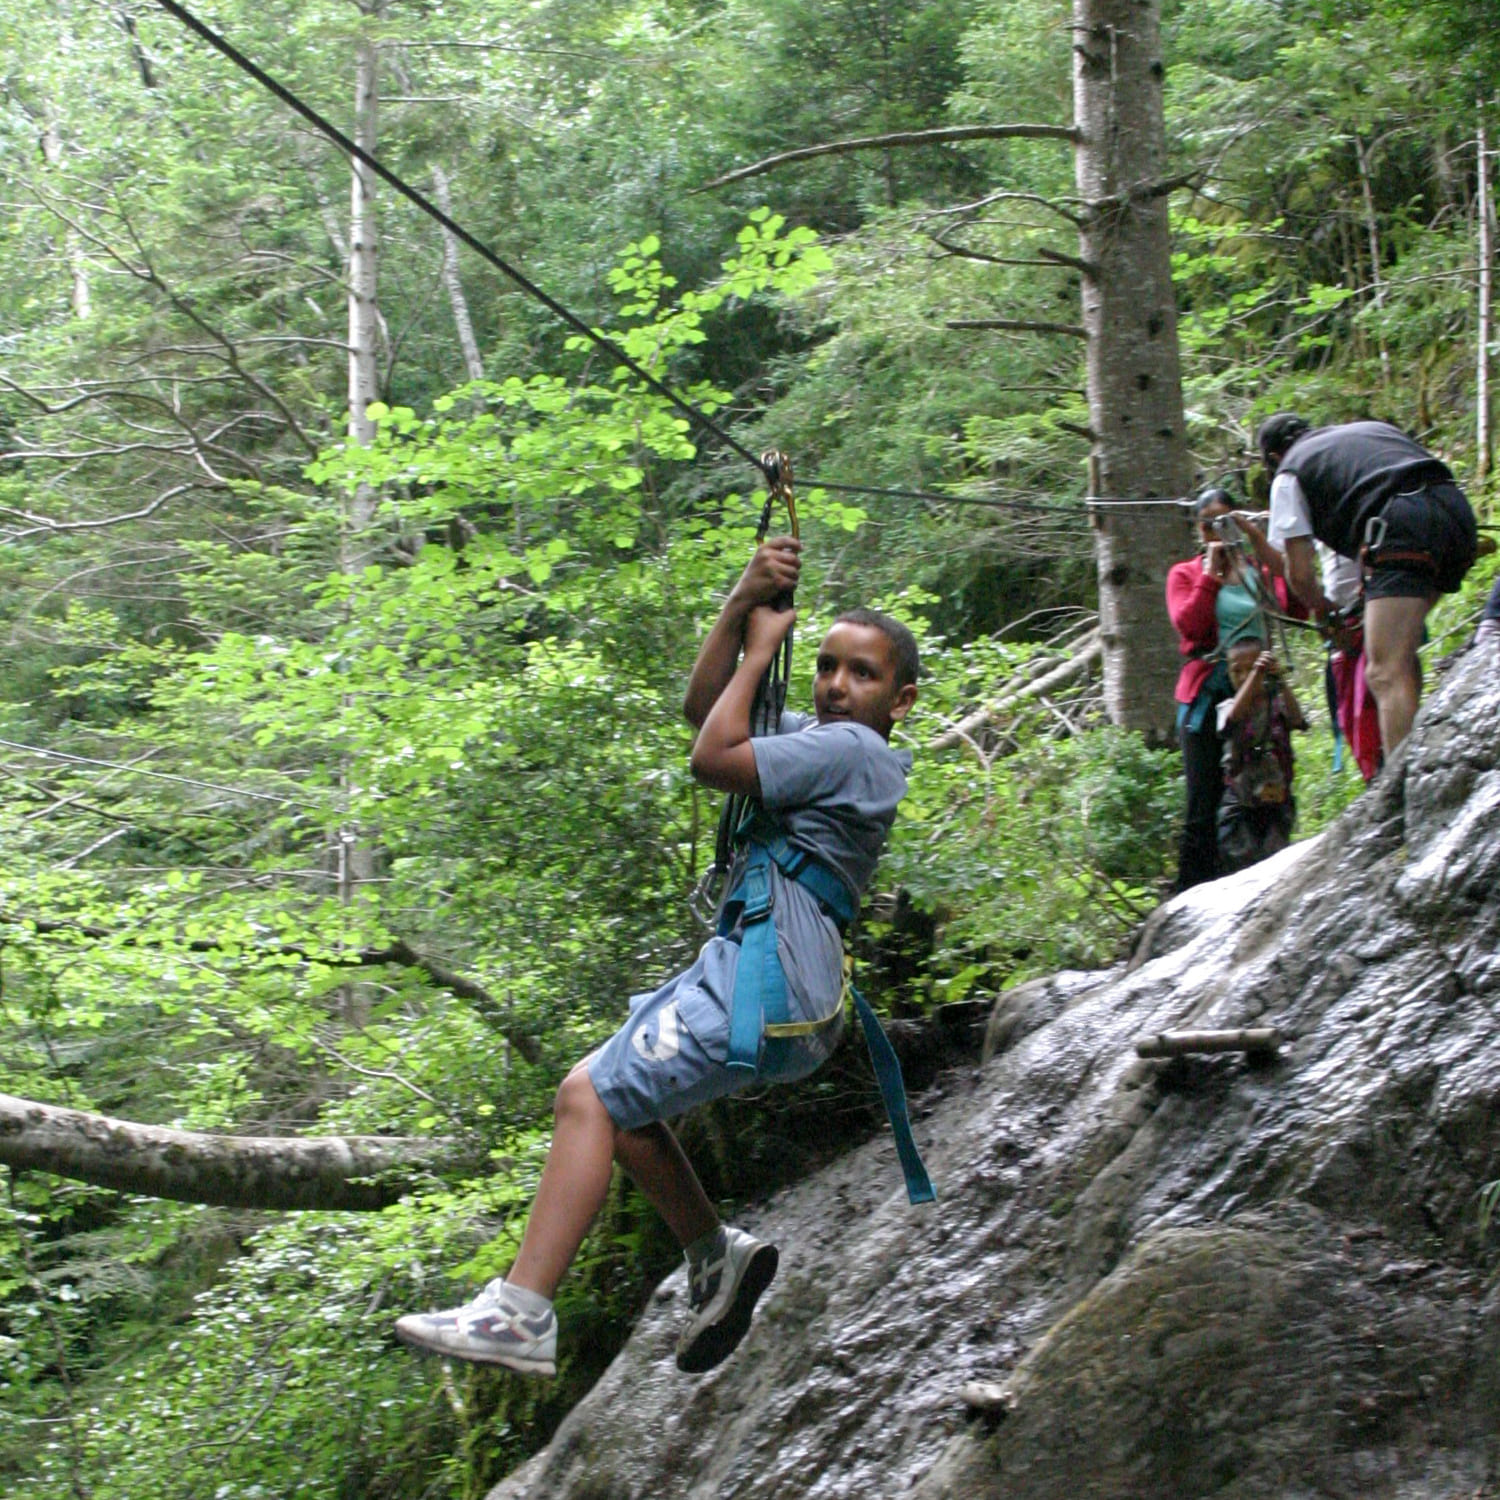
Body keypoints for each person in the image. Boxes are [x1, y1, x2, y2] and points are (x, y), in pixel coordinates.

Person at [394, 536, 919, 1377]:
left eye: (860, 673)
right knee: (626, 1115)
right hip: (772, 978)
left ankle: (521, 1315)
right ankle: (716, 1255)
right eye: (824, 665)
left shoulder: (852, 750)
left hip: (772, 974)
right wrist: (742, 599)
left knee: (587, 1095)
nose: (832, 684)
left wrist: (760, 652)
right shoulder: (821, 742)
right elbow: (706, 707)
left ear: (902, 699)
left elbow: (711, 759)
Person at [1258, 414, 1478, 756]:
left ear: (1273, 458)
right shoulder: (1370, 431)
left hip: (1399, 526)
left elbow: (1299, 573)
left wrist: (1328, 613)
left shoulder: (1289, 474)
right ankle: (1415, 753)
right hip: (1457, 515)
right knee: (1399, 655)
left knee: (1384, 671)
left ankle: (1401, 787)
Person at [1165, 488, 1286, 891]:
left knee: (1263, 785)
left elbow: (1293, 605)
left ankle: (1257, 876)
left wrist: (1257, 541)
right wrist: (1210, 579)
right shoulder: (1185, 574)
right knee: (1205, 795)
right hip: (1206, 691)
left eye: (1226, 520)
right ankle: (1192, 888)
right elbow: (1190, 628)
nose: (1218, 531)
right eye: (1210, 524)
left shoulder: (1256, 571)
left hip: (1257, 690)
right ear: (1199, 530)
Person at [1215, 639, 1307, 875]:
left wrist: (1280, 681)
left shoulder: (1277, 703)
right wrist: (1257, 673)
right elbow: (1232, 721)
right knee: (1240, 865)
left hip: (1276, 800)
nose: (1245, 676)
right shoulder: (1227, 706)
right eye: (1237, 671)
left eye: (1252, 668)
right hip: (1241, 802)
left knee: (1276, 865)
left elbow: (1297, 720)